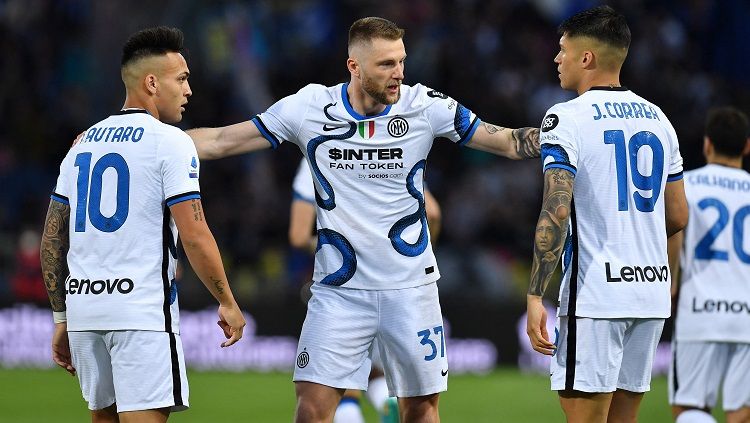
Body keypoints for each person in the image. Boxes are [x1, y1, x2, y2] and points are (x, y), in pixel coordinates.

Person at [189, 16, 540, 422]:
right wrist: (156, 139)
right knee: (311, 408)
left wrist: (559, 135)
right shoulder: (308, 107)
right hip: (339, 293)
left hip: (410, 289)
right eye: (386, 65)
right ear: (354, 66)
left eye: (401, 62)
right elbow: (219, 141)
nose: (399, 75)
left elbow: (507, 142)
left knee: (420, 410)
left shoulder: (425, 106)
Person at [40, 26, 245, 423]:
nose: (188, 91)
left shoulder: (82, 143)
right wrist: (227, 300)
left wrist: (62, 318)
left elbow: (53, 235)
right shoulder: (171, 141)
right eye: (182, 79)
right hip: (141, 316)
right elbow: (195, 234)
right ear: (152, 82)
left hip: (85, 311)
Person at [525, 6, 689, 423]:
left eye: (562, 49)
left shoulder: (566, 117)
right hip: (649, 293)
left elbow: (556, 211)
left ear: (587, 58)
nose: (556, 58)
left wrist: (535, 293)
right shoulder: (660, 120)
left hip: (597, 294)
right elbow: (679, 215)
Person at [289, 158, 441, 423]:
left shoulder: (316, 149)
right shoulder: (393, 148)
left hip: (345, 289)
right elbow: (434, 213)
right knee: (390, 380)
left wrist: (342, 253)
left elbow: (299, 236)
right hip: (401, 286)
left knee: (338, 383)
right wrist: (419, 261)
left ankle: (370, 408)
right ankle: (385, 402)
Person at [668, 107, 750, 423]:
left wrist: (670, 280)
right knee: (741, 414)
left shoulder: (687, 184)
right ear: (746, 146)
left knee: (689, 412)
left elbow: (675, 233)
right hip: (746, 316)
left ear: (707, 144)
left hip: (699, 312)